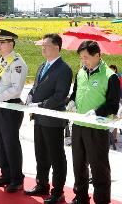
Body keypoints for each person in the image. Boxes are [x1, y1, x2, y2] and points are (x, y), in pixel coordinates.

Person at [66, 41, 120, 204]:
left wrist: (96, 113)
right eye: (81, 57)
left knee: (99, 168)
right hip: (78, 125)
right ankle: (81, 197)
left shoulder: (110, 76)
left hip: (97, 128)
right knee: (79, 165)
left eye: (86, 57)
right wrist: (72, 101)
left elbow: (113, 104)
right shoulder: (81, 73)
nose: (83, 60)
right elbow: (75, 93)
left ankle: (101, 200)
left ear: (98, 55)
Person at [24, 34, 73, 203]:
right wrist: (30, 96)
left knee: (56, 157)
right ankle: (42, 184)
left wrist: (41, 105)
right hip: (39, 118)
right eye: (42, 45)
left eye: (46, 45)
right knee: (41, 154)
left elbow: (60, 96)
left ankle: (58, 191)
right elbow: (36, 87)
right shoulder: (42, 66)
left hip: (52, 120)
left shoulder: (64, 69)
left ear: (57, 47)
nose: (43, 48)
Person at [0, 29, 28, 193]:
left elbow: (16, 89)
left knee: (11, 144)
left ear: (11, 44)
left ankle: (17, 178)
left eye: (2, 42)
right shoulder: (0, 61)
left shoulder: (17, 62)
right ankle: (6, 174)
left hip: (11, 106)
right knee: (0, 143)